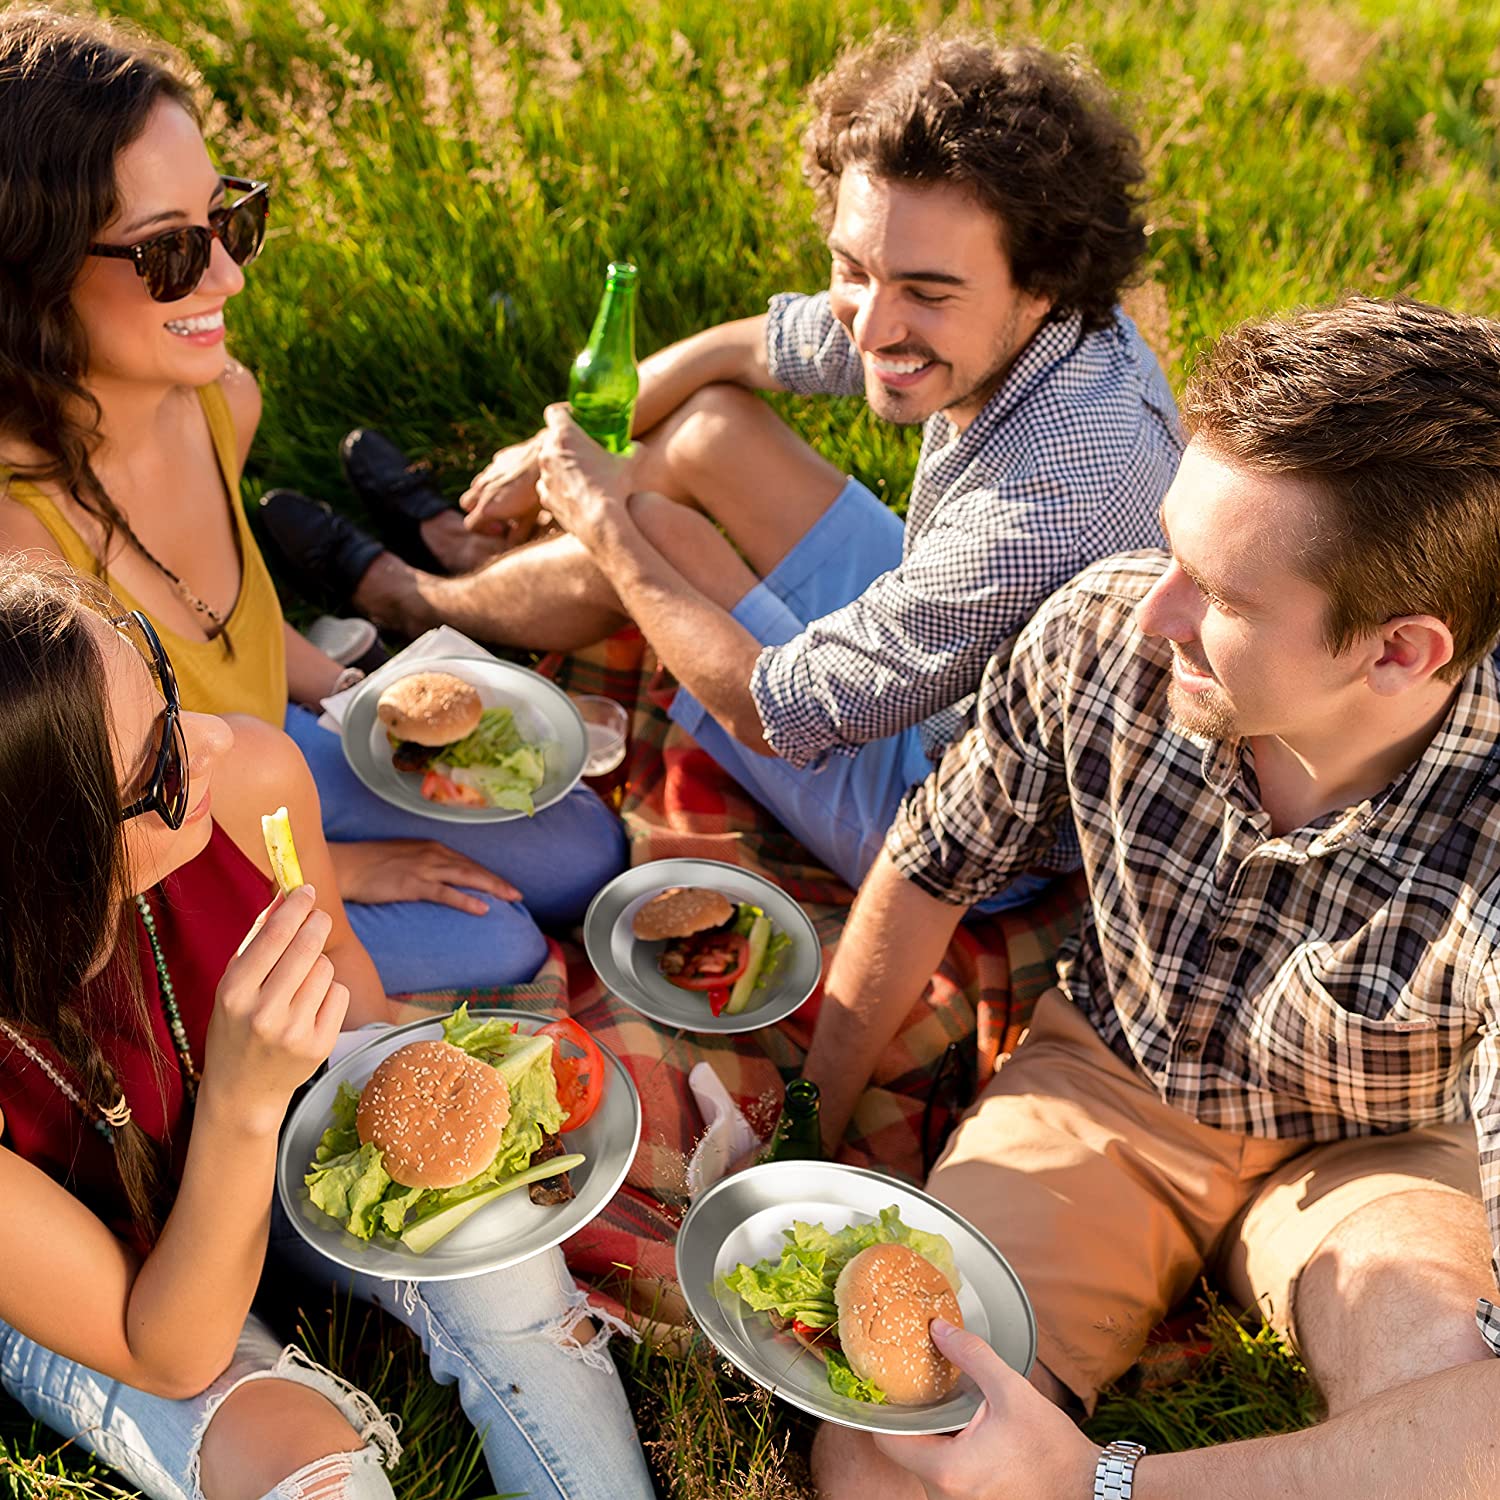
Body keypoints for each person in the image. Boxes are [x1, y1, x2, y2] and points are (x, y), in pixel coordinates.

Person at [798, 296, 1500, 1499]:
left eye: (1222, 596)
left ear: (1399, 652)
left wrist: (1099, 1485)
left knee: (1447, 1390)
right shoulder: (1102, 629)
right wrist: (804, 1126)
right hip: (1103, 1087)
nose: (1152, 608)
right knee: (880, 1456)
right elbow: (935, 862)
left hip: (1376, 1154)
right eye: (1170, 545)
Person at [264, 31, 1181, 893]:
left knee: (657, 540)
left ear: (1042, 280)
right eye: (854, 268)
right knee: (708, 430)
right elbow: (746, 352)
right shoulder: (1036, 322)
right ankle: (474, 557)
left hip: (957, 822)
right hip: (959, 649)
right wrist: (552, 449)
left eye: (925, 293)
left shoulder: (1053, 498)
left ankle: (405, 596)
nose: (874, 321)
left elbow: (774, 712)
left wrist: (608, 527)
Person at [0, 5, 625, 996]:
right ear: (30, 273)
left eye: (229, 218)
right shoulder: (21, 564)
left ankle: (371, 602)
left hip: (275, 766)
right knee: (508, 942)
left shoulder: (216, 398)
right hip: (172, 866)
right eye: (169, 251)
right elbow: (97, 866)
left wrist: (350, 698)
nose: (229, 274)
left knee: (588, 851)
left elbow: (226, 618)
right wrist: (338, 875)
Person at [0, 556, 655, 1500]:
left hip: (264, 1138)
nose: (218, 739)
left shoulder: (248, 779)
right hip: (105, 1284)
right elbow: (170, 1352)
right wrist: (241, 1097)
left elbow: (347, 972)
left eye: (169, 694)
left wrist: (404, 1091)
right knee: (306, 1468)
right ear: (55, 871)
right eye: (164, 765)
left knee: (509, 1277)